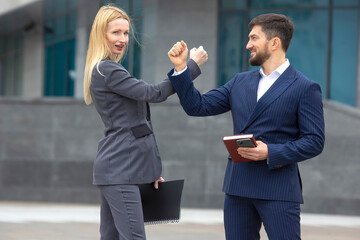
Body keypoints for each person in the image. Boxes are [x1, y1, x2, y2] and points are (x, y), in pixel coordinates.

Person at [167, 14, 325, 240]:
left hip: (278, 189)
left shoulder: (305, 87)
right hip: (237, 188)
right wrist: (182, 68)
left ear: (274, 43)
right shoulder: (240, 82)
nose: (247, 45)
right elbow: (197, 106)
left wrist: (270, 151)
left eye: (253, 38)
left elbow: (314, 141)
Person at [83, 5, 208, 240]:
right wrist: (189, 67)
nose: (122, 39)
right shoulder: (108, 70)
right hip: (120, 170)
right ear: (101, 34)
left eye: (126, 33)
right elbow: (154, 93)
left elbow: (137, 128)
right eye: (115, 33)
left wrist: (148, 170)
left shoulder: (105, 69)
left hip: (120, 169)